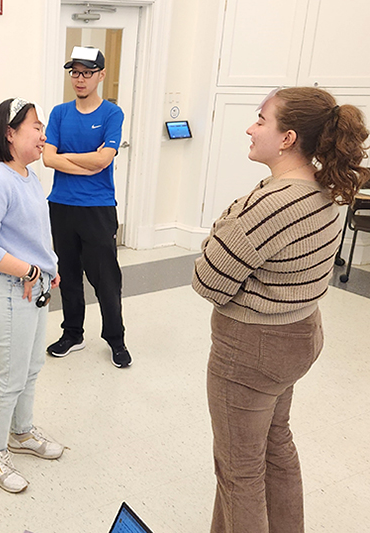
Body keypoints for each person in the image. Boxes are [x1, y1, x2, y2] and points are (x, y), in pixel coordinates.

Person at [193, 87, 370, 533]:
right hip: (297, 337)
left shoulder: (275, 203)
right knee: (275, 446)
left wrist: (224, 230)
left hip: (250, 352)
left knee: (239, 471)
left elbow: (207, 277)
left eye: (260, 120)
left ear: (288, 137)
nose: (251, 128)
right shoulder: (326, 188)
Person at [0, 98, 63, 493]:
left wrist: (49, 268)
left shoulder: (27, 175)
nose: (44, 136)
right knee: (10, 378)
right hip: (10, 291)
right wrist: (28, 269)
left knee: (32, 369)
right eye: (36, 128)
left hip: (34, 287)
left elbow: (34, 235)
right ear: (10, 133)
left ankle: (21, 433)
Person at [42, 46, 131, 368]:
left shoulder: (111, 114)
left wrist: (69, 159)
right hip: (62, 206)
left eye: (87, 73)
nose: (79, 79)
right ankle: (72, 333)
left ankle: (116, 339)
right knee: (67, 275)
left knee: (106, 279)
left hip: (97, 207)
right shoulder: (59, 113)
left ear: (101, 75)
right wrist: (87, 163)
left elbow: (104, 158)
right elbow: (47, 157)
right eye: (75, 72)